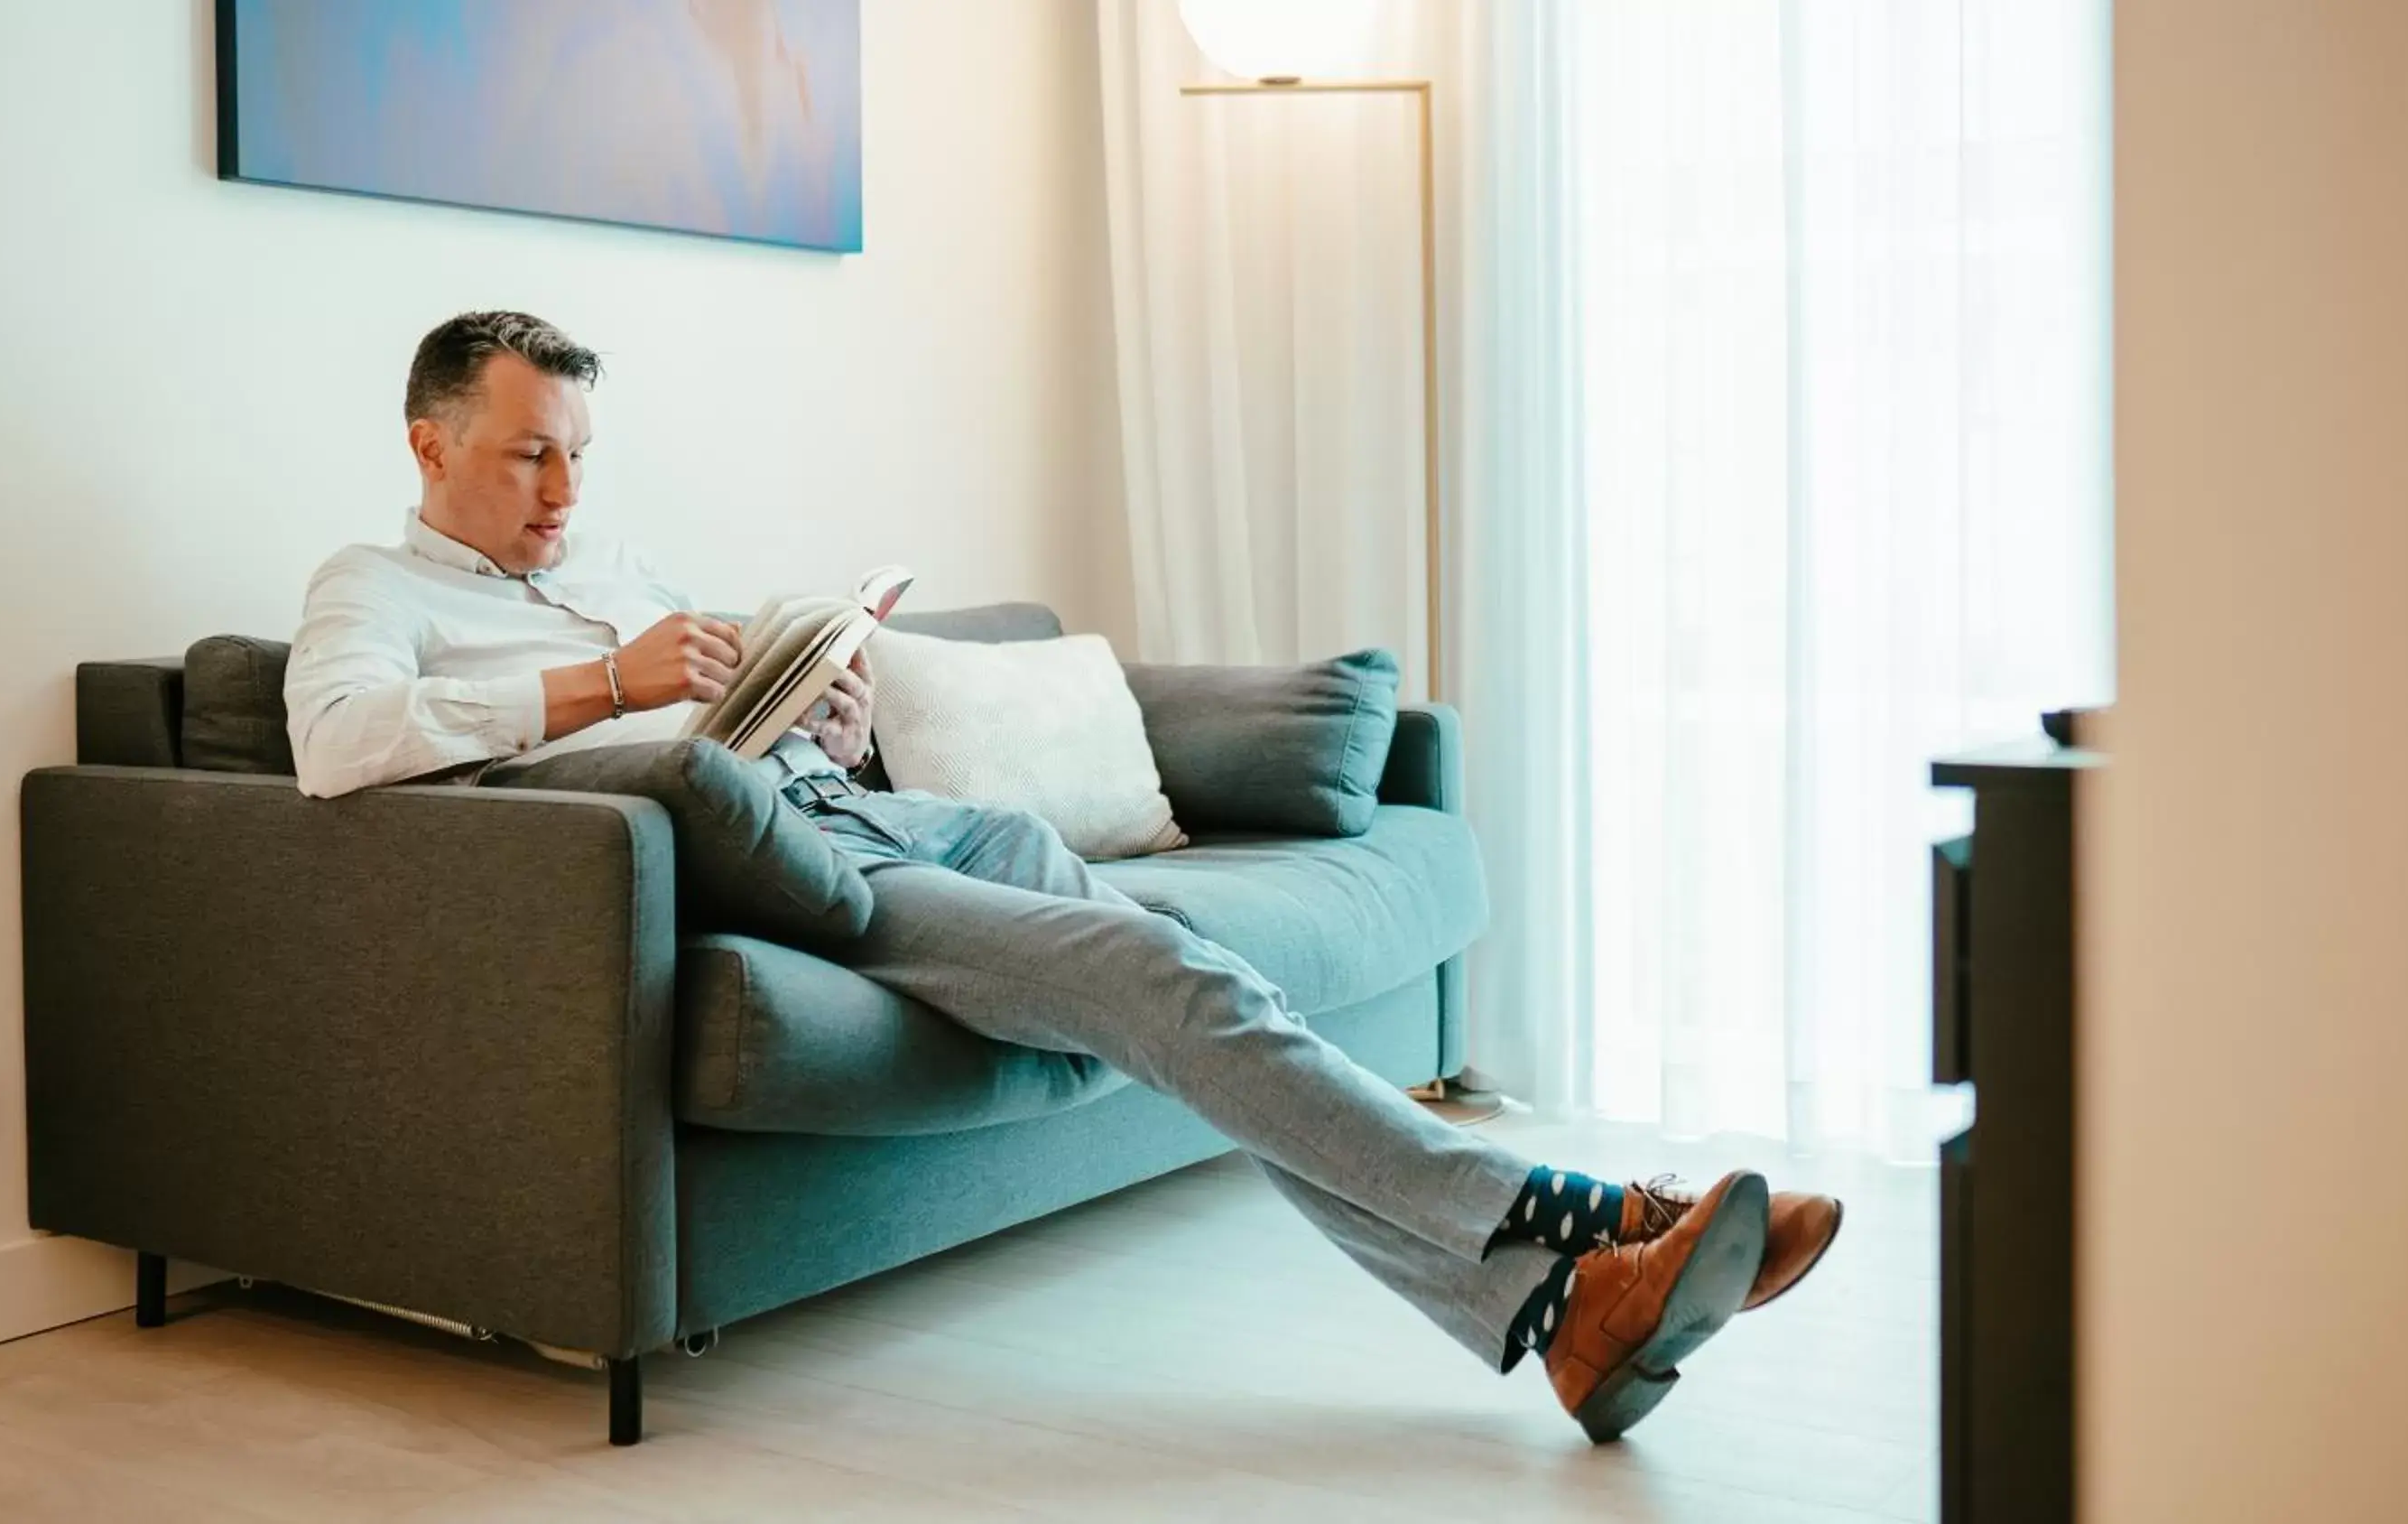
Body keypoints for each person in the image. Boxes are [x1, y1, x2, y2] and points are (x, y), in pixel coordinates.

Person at [283, 311, 1844, 1443]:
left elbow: (712, 710)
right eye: (528, 456)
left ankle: (1555, 1316)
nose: (561, 494)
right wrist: (601, 690)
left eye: (578, 458)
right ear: (431, 445)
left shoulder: (617, 576)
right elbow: (341, 745)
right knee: (1167, 983)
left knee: (1194, 996)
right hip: (805, 880)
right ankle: (1573, 1217)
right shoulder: (373, 590)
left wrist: (815, 697)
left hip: (865, 807)